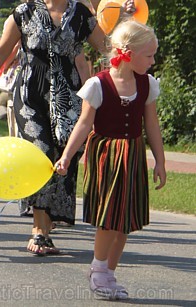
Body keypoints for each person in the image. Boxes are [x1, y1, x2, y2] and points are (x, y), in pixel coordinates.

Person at [0, 0, 110, 255]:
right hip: (30, 92)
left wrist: (123, 17)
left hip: (69, 95)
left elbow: (107, 48)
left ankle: (47, 224)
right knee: (40, 153)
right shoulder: (23, 13)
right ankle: (39, 230)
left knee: (65, 154)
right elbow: (1, 51)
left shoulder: (81, 15)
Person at [55, 21, 165, 300]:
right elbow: (82, 125)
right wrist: (67, 156)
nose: (153, 61)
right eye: (149, 55)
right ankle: (98, 269)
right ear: (128, 53)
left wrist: (160, 162)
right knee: (109, 217)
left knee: (125, 219)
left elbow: (152, 126)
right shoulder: (98, 84)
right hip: (107, 156)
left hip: (134, 153)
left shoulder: (147, 84)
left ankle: (108, 274)